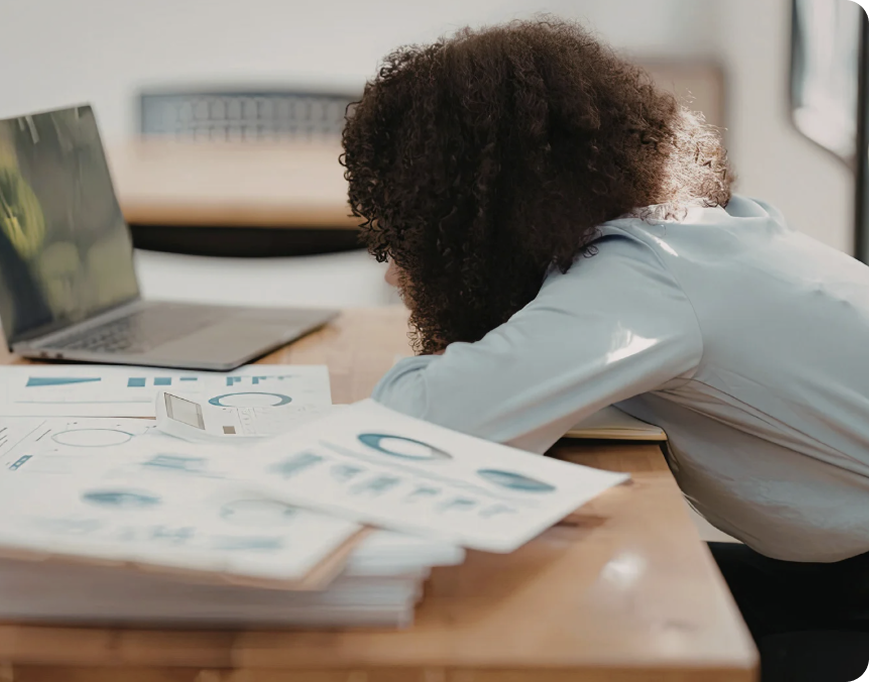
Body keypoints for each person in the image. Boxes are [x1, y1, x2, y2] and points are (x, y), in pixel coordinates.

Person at [341, 18, 869, 681]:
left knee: (573, 624)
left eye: (408, 235)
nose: (395, 271)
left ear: (474, 215)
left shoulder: (642, 281)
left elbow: (422, 426)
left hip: (851, 593)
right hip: (826, 577)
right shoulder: (697, 234)